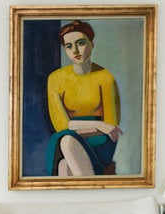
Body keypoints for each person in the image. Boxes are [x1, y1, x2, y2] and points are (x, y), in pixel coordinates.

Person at [45, 20, 122, 176]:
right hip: (73, 135)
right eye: (68, 46)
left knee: (66, 143)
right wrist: (98, 124)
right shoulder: (55, 79)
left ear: (92, 43)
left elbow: (112, 125)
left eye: (80, 43)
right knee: (64, 162)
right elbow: (61, 126)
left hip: (100, 141)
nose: (75, 50)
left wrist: (96, 128)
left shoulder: (105, 77)